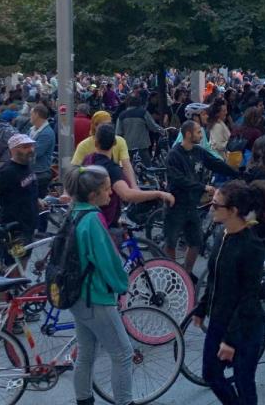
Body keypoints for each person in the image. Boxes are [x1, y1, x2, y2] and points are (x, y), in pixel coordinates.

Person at [62, 165, 134, 405]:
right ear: (93, 195)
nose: (111, 193)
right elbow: (108, 261)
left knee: (86, 353)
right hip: (96, 296)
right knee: (123, 354)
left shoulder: (74, 211)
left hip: (76, 295)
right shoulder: (93, 219)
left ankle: (84, 400)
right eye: (106, 189)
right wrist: (122, 284)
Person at [191, 180, 265, 405]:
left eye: (216, 205)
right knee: (211, 374)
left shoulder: (251, 246)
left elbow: (248, 296)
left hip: (244, 327)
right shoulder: (222, 236)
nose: (211, 209)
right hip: (219, 319)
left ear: (233, 211)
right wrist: (202, 307)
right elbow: (214, 277)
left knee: (244, 381)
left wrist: (231, 340)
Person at [165, 120, 239, 276]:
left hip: (192, 205)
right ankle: (172, 274)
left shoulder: (198, 151)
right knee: (171, 242)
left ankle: (187, 272)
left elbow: (215, 163)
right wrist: (203, 187)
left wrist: (237, 174)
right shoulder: (174, 155)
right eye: (198, 132)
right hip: (176, 205)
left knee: (196, 242)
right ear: (188, 134)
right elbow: (179, 180)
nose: (201, 135)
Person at [82, 124, 174, 227]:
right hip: (103, 224)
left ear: (96, 143)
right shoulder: (112, 169)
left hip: (86, 219)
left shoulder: (88, 160)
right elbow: (127, 195)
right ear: (115, 143)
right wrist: (159, 194)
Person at [0, 134, 40, 271]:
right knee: (8, 271)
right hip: (13, 230)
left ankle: (17, 292)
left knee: (21, 266)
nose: (30, 150)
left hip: (27, 227)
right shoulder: (7, 171)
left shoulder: (27, 165)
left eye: (31, 146)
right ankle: (7, 291)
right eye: (24, 147)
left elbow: (25, 190)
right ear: (13, 150)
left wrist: (38, 201)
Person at [72, 110, 137, 187]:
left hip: (114, 180)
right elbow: (75, 168)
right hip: (92, 185)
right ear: (95, 126)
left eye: (109, 124)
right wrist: (67, 192)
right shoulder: (84, 145)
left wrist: (134, 186)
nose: (107, 127)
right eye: (103, 125)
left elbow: (126, 165)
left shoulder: (120, 141)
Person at [116, 95, 165, 165]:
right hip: (142, 145)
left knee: (127, 165)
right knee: (148, 166)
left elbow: (118, 132)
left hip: (128, 145)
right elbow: (152, 126)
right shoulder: (143, 112)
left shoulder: (122, 115)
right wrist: (161, 130)